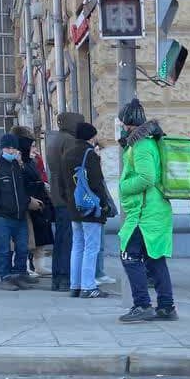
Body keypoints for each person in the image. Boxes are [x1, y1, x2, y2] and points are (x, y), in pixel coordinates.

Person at [117, 98, 177, 322]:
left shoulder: (141, 146)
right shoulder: (150, 142)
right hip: (156, 210)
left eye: (122, 122)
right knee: (155, 258)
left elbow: (146, 177)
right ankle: (166, 307)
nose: (121, 126)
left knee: (129, 256)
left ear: (128, 122)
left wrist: (123, 187)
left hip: (144, 213)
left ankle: (142, 305)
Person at [59, 121, 115, 298]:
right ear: (91, 137)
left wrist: (69, 202)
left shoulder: (67, 153)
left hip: (74, 207)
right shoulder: (90, 154)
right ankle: (88, 287)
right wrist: (103, 204)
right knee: (92, 247)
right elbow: (97, 183)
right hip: (90, 207)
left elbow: (61, 183)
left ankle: (75, 285)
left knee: (77, 246)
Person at [0, 133, 37, 291]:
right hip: (3, 216)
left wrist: (24, 203)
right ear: (2, 148)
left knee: (23, 247)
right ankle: (5, 276)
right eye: (8, 148)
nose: (11, 151)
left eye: (13, 148)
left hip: (20, 214)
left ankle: (20, 273)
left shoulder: (19, 165)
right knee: (3, 248)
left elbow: (28, 183)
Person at [45, 114, 85, 290]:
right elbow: (72, 171)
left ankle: (58, 278)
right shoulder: (69, 141)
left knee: (61, 239)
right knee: (69, 239)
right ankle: (65, 277)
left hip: (57, 194)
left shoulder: (55, 139)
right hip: (67, 196)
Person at [13, 126, 54, 280]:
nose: (33, 147)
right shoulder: (18, 161)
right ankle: (24, 265)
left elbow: (38, 175)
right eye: (31, 144)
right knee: (28, 238)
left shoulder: (30, 160)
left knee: (41, 234)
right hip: (28, 202)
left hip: (39, 200)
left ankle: (39, 264)